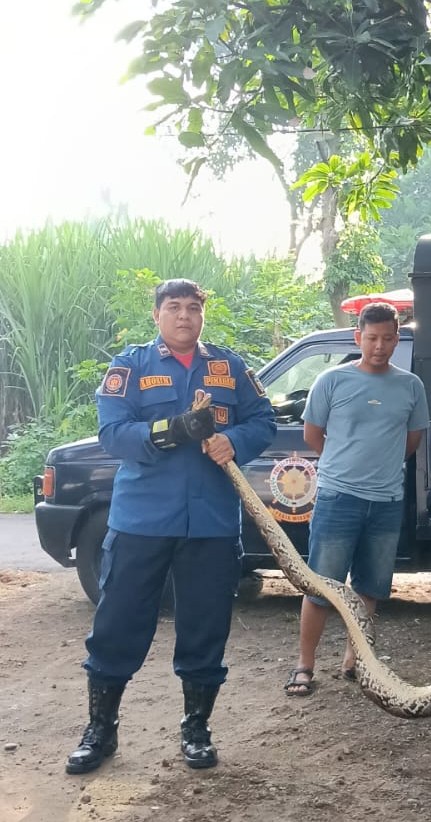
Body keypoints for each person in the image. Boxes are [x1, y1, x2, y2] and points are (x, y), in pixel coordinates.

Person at [66, 279, 275, 774]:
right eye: (174, 307)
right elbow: (112, 431)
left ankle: (196, 730)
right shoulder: (131, 366)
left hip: (211, 522)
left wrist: (235, 441)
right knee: (119, 622)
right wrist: (170, 429)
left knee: (205, 625)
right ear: (157, 314)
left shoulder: (229, 366)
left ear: (203, 314)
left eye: (193, 308)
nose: (184, 316)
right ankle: (101, 730)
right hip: (142, 519)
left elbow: (263, 418)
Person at [285, 301, 429, 696]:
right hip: (337, 499)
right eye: (371, 338)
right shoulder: (332, 381)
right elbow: (313, 436)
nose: (379, 346)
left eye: (387, 339)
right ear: (357, 337)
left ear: (396, 339)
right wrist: (348, 463)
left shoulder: (411, 386)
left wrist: (378, 466)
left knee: (370, 587)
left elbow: (411, 440)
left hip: (385, 503)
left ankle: (357, 660)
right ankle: (304, 665)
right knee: (321, 588)